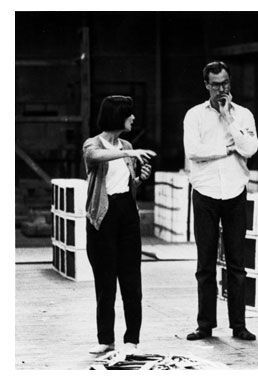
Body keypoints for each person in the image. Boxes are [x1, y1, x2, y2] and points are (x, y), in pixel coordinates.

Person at [183, 61, 258, 341]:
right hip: (205, 193)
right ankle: (205, 325)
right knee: (205, 264)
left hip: (235, 192)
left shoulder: (244, 115)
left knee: (237, 264)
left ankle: (238, 325)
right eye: (215, 85)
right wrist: (226, 149)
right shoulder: (194, 116)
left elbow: (250, 148)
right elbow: (193, 152)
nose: (221, 89)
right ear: (206, 85)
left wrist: (229, 120)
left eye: (225, 83)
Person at [83, 95, 156, 355]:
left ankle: (132, 340)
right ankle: (106, 339)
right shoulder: (93, 144)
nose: (134, 118)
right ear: (117, 116)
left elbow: (127, 185)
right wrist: (128, 152)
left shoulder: (126, 144)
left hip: (127, 213)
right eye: (129, 113)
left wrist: (139, 179)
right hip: (103, 216)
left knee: (131, 282)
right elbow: (95, 156)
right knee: (105, 283)